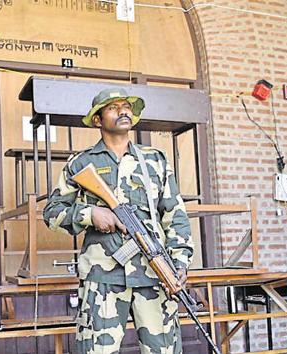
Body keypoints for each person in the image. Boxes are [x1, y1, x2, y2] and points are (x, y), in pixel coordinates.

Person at [43, 88, 193, 354]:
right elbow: (52, 211)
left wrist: (179, 262)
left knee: (165, 350)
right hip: (102, 275)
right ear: (98, 120)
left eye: (126, 106)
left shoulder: (154, 161)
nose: (123, 111)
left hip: (154, 272)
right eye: (113, 107)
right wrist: (91, 214)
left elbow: (175, 214)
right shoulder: (81, 163)